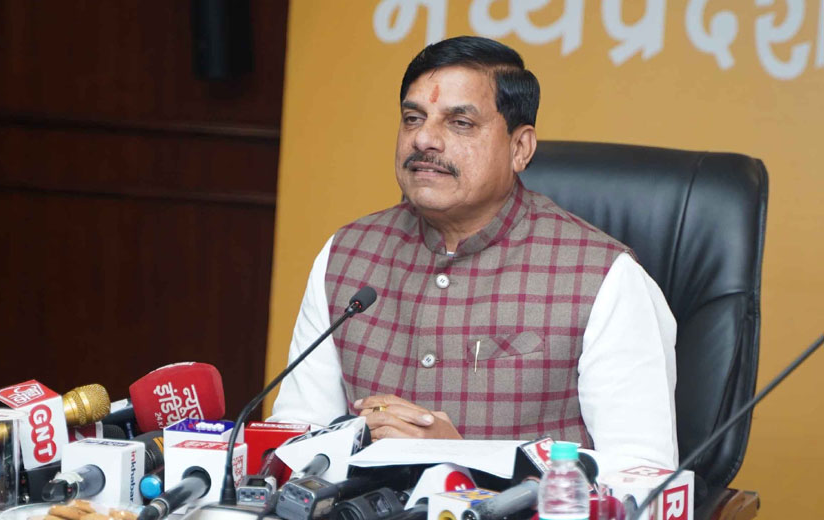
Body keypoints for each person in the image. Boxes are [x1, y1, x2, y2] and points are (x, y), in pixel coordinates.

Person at [269, 36, 678, 469]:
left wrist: (462, 459)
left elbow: (641, 477)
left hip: (531, 517)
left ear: (520, 148)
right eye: (413, 118)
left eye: (460, 123)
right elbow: (294, 442)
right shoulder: (348, 255)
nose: (424, 139)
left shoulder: (604, 277)